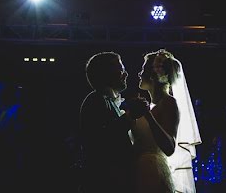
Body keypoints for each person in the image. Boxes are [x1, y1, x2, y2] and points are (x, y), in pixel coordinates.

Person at [79, 52, 150, 193]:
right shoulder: (96, 100)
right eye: (121, 70)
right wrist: (131, 115)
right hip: (105, 183)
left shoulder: (109, 100)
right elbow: (101, 140)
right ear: (107, 74)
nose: (126, 74)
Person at [133, 49, 202, 193]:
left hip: (153, 172)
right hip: (139, 170)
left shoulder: (169, 103)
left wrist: (148, 116)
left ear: (153, 75)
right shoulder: (152, 106)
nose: (139, 74)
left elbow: (170, 148)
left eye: (143, 69)